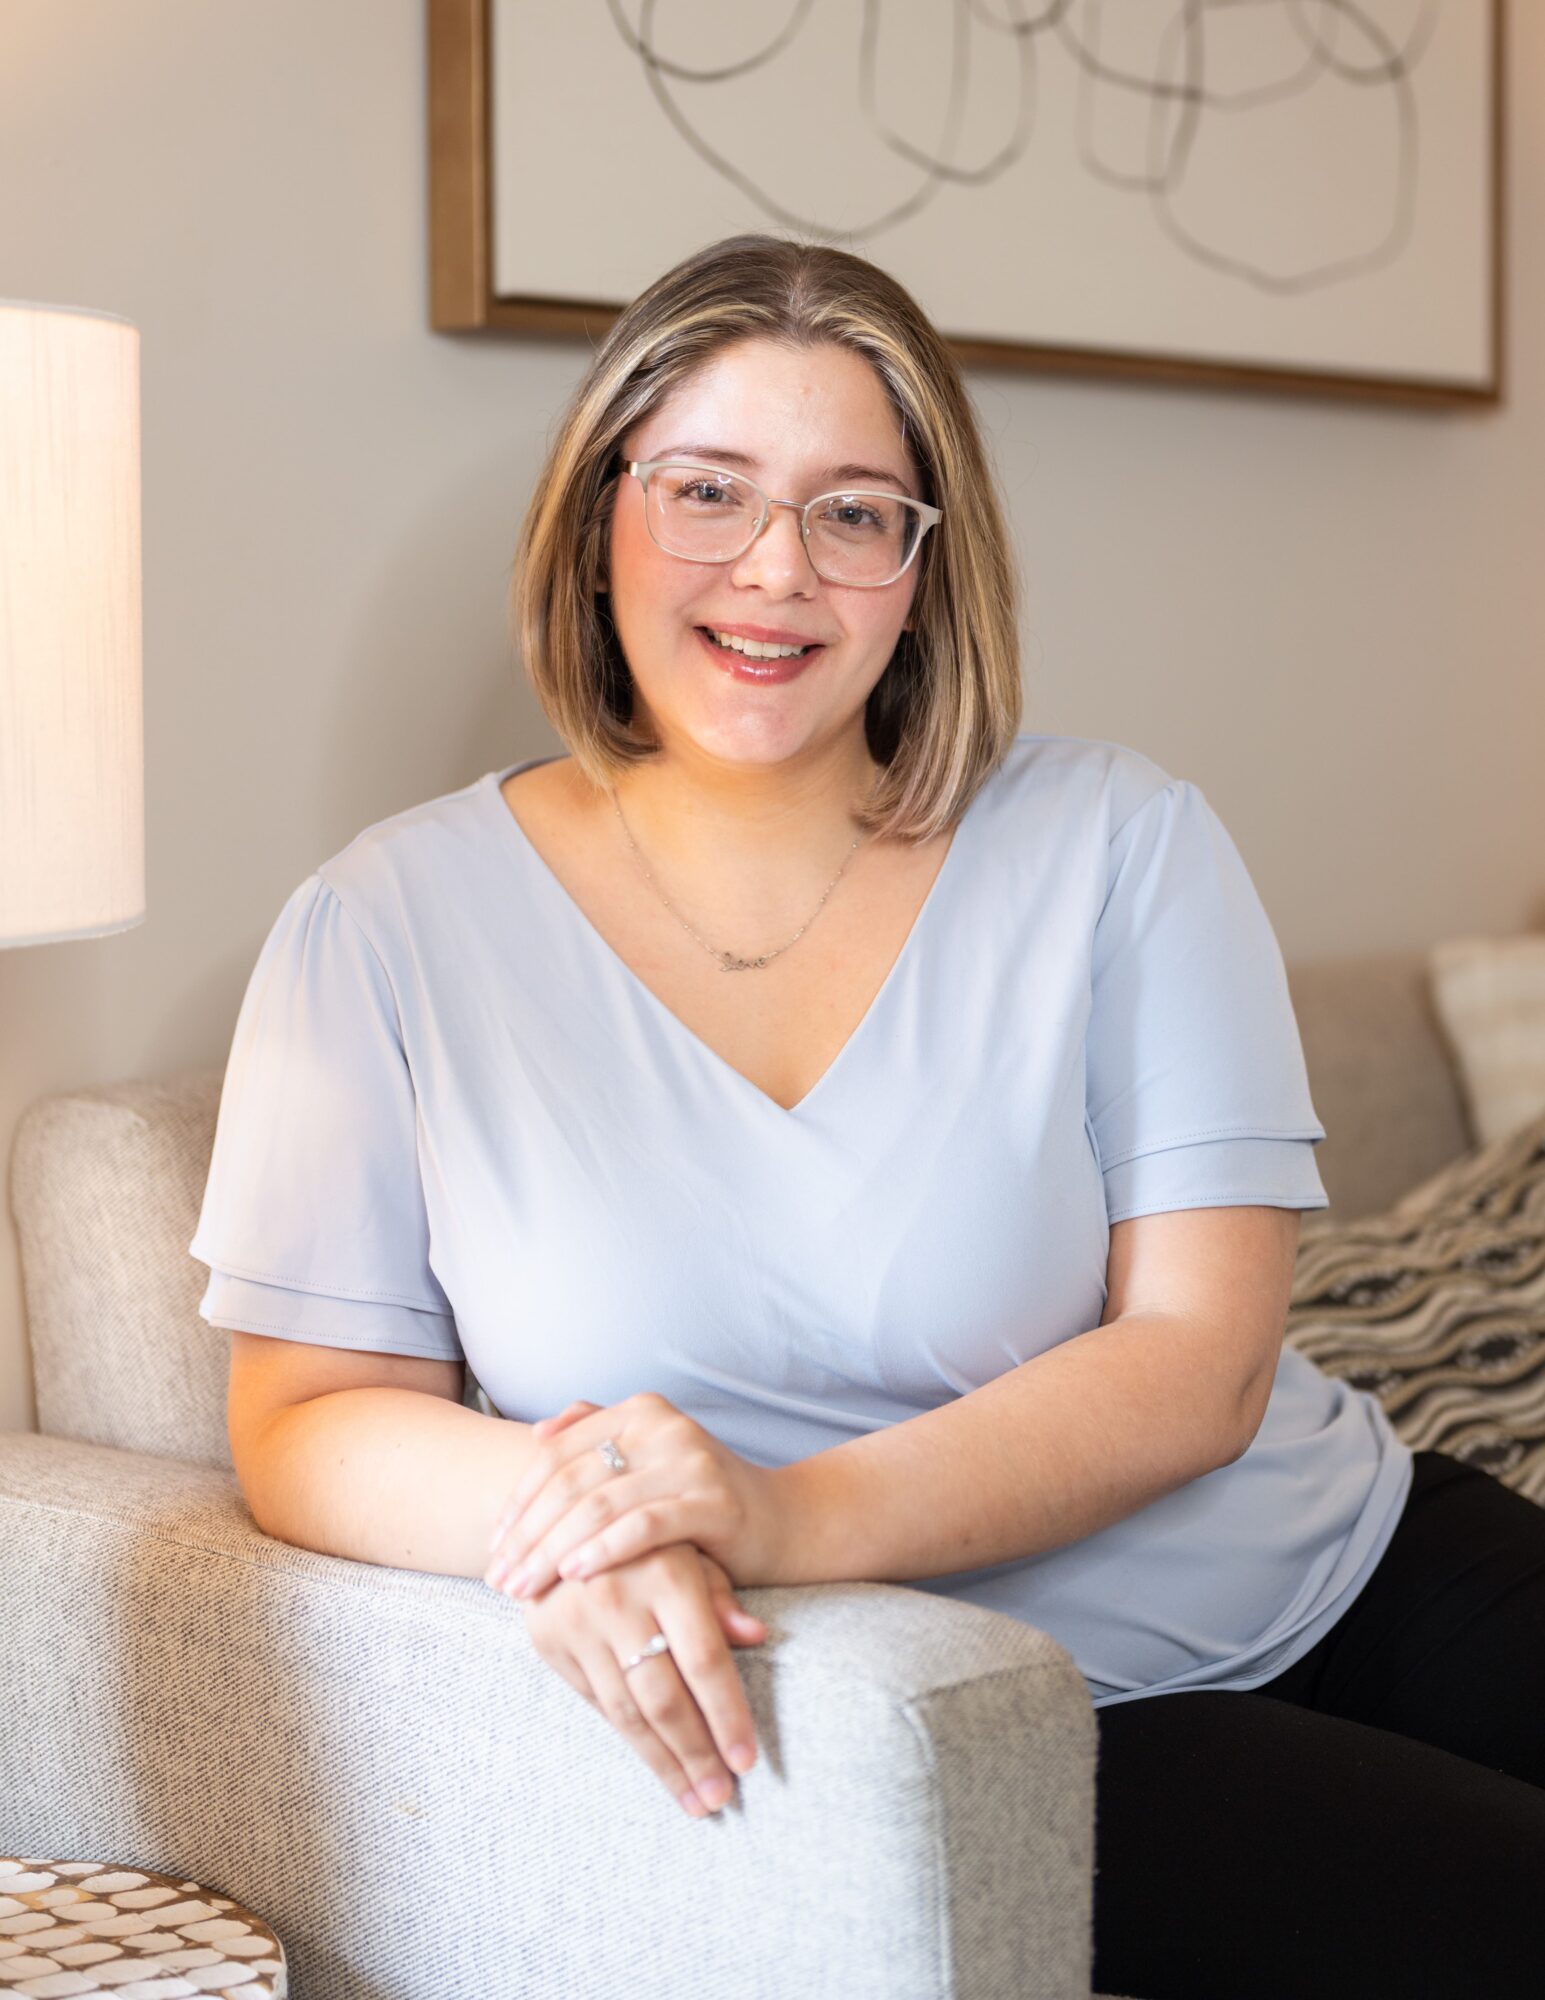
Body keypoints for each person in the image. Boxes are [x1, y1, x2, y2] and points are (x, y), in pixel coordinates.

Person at [188, 232, 1545, 1993]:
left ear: (922, 568)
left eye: (852, 513)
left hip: (1356, 1556)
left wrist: (776, 1514)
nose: (776, 569)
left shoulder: (1117, 843)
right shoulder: (382, 929)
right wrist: (585, 1517)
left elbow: (1202, 1360)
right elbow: (307, 1414)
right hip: (1025, 1705)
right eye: (706, 490)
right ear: (596, 521)